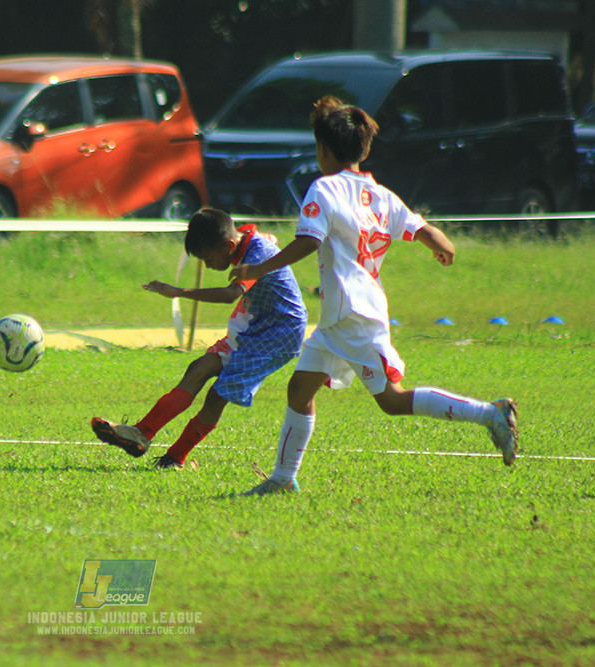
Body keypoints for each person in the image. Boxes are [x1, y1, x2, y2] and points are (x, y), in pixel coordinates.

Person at [229, 95, 518, 496]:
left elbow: (307, 243)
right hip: (343, 315)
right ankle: (281, 479)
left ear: (323, 150)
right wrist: (441, 243)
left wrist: (257, 269)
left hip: (353, 316)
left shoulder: (324, 189)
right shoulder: (380, 194)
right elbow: (421, 229)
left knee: (392, 400)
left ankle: (491, 414)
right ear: (363, 149)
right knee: (300, 389)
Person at [91, 207, 307, 469]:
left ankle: (175, 457)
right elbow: (261, 234)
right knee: (198, 368)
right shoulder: (244, 238)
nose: (207, 265)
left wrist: (178, 292)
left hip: (279, 332)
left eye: (208, 258)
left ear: (228, 245)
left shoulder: (256, 253)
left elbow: (230, 295)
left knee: (217, 395)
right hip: (254, 322)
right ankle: (141, 434)